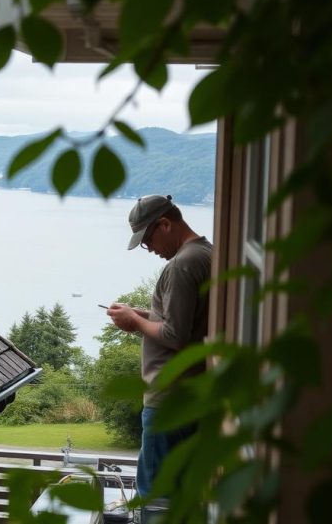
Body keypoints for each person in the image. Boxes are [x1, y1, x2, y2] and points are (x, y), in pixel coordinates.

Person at [105, 194, 213, 504]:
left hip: (168, 398)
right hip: (191, 393)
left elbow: (175, 335)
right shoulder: (206, 253)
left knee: (155, 494)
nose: (149, 249)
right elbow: (185, 322)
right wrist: (138, 314)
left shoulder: (181, 265)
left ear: (165, 224)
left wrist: (136, 324)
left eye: (147, 239)